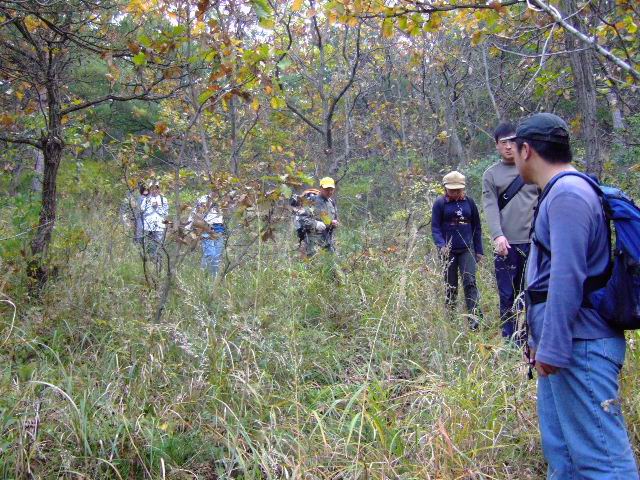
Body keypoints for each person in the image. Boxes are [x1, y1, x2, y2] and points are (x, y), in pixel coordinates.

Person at [507, 112, 638, 478]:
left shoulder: (567, 194)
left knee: (603, 462)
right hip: (567, 345)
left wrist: (552, 346)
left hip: (582, 347)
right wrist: (539, 341)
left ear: (527, 150)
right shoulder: (562, 191)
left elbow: (568, 277)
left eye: (515, 151)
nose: (513, 159)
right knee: (564, 457)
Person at [482, 123, 539, 344]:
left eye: (512, 141)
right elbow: (490, 206)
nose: (508, 146)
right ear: (496, 145)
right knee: (507, 295)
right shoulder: (491, 174)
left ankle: (531, 340)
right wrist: (498, 235)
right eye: (503, 142)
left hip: (534, 242)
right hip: (506, 245)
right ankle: (510, 342)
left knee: (532, 292)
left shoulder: (533, 167)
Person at [431, 171, 484, 328]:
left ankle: (475, 320)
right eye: (451, 190)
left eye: (458, 190)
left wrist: (479, 250)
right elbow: (435, 228)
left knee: (470, 282)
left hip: (467, 249)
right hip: (448, 251)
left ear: (463, 188)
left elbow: (477, 227)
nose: (454, 193)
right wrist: (442, 245)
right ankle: (451, 321)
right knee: (451, 285)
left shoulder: (470, 203)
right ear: (445, 188)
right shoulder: (440, 203)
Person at [295, 177, 339, 257]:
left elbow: (333, 219)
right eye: (327, 189)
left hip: (327, 241)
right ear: (321, 188)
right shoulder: (311, 200)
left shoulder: (331, 203)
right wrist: (315, 224)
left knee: (331, 261)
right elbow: (301, 219)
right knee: (313, 263)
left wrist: (333, 223)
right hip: (312, 243)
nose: (329, 192)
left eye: (331, 189)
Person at [187, 190, 226, 277]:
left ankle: (206, 275)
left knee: (217, 256)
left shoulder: (223, 199)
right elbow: (195, 213)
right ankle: (212, 277)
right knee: (211, 254)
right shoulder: (203, 199)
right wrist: (188, 227)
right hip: (207, 229)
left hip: (219, 230)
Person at [140, 179, 169, 261]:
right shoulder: (146, 200)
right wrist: (151, 208)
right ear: (150, 189)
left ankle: (157, 260)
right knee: (148, 244)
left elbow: (166, 213)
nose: (154, 190)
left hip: (159, 226)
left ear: (159, 189)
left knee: (158, 245)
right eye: (152, 189)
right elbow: (142, 211)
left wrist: (157, 208)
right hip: (148, 226)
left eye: (156, 188)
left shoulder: (164, 200)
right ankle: (149, 260)